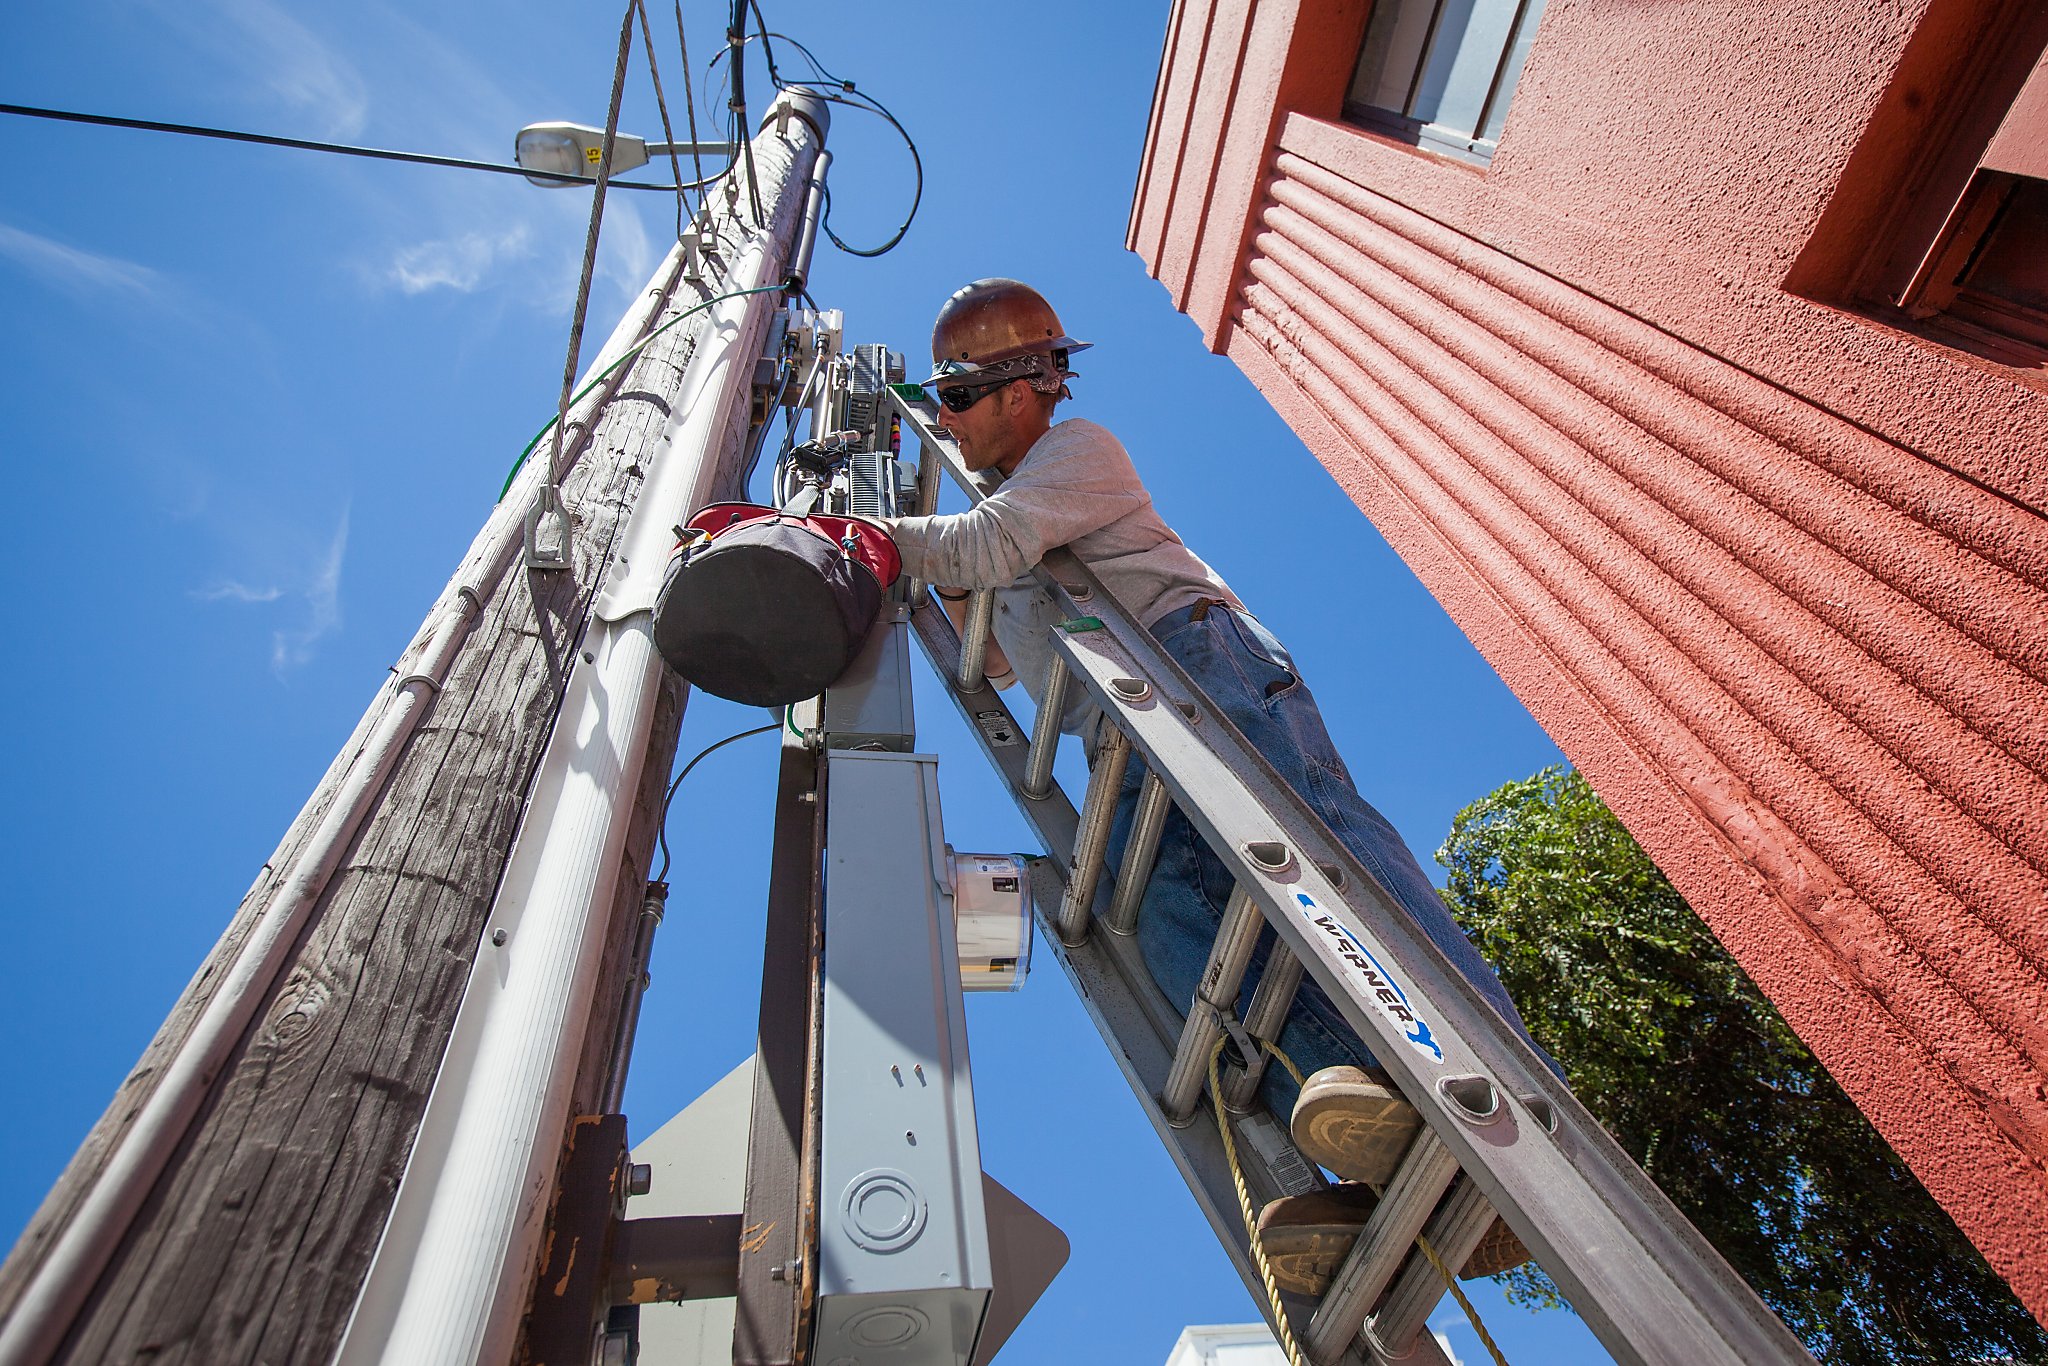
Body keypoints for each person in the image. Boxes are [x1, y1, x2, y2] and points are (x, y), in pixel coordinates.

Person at [879, 279, 1549, 1290]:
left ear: (1022, 388)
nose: (946, 421)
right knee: (1157, 917)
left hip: (1200, 666)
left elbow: (982, 548)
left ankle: (1495, 1076)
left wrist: (862, 533)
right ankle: (1365, 1128)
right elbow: (1006, 654)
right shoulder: (1014, 509)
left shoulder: (1075, 452)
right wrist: (945, 569)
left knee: (1324, 864)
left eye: (955, 398)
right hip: (1127, 729)